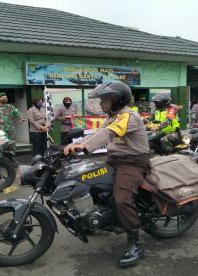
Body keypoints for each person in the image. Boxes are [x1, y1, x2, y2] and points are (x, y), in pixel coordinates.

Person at [64, 81, 149, 267]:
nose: (102, 104)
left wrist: (85, 147)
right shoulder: (113, 117)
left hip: (132, 163)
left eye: (105, 100)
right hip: (115, 160)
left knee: (122, 199)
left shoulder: (128, 116)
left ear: (118, 100)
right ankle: (102, 219)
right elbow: (98, 133)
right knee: (93, 183)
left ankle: (135, 243)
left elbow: (107, 134)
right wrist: (74, 145)